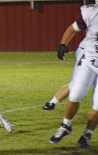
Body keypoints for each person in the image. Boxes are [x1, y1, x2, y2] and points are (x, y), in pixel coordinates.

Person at [50, 3, 98, 148]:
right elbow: (73, 28)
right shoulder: (91, 13)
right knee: (76, 94)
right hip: (89, 58)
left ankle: (87, 135)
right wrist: (63, 44)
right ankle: (66, 126)